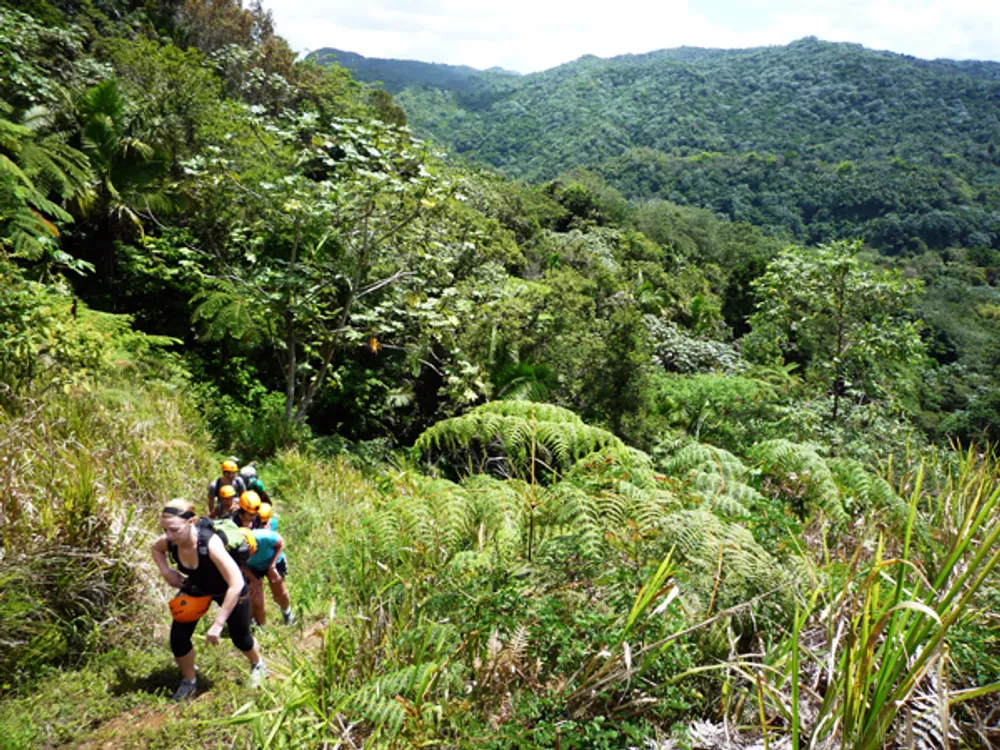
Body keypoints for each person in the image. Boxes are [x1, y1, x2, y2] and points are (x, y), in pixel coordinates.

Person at [151, 498, 266, 701]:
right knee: (178, 638)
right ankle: (189, 681)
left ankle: (258, 663)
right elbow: (156, 548)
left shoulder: (210, 544)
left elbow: (236, 583)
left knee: (241, 638)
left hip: (228, 590)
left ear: (192, 522)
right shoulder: (171, 541)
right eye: (165, 529)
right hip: (197, 587)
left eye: (174, 530)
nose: (168, 536)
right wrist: (166, 572)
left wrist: (218, 623)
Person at [245, 507, 294, 626]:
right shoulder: (245, 536)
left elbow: (280, 543)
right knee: (252, 593)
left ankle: (287, 614)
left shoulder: (268, 535)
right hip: (252, 565)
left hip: (273, 560)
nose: (264, 526)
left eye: (266, 523)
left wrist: (272, 566)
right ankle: (255, 622)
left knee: (279, 590)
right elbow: (238, 562)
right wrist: (252, 579)